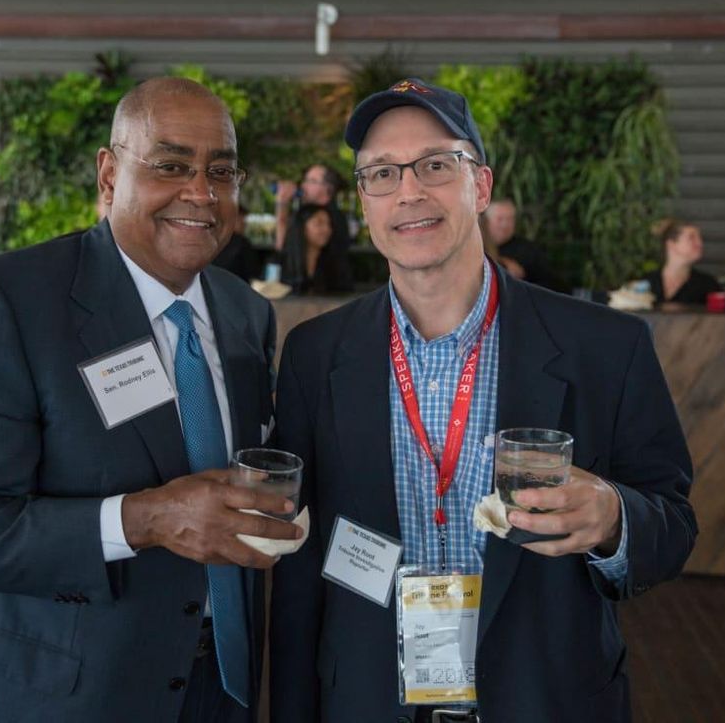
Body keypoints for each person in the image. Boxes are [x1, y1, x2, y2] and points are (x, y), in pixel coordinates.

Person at [270, 79, 696, 723]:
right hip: (366, 699)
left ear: (482, 185)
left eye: (436, 165)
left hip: (542, 697)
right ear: (363, 201)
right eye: (382, 173)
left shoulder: (605, 346)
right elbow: (301, 578)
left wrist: (612, 518)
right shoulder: (314, 354)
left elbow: (673, 524)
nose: (409, 191)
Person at [0, 77, 301, 723]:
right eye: (171, 165)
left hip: (219, 687)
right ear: (109, 173)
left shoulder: (245, 313)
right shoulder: (8, 301)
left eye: (221, 171)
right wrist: (146, 518)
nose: (201, 193)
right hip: (61, 696)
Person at [482, 198, 559, 290]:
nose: (505, 225)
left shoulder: (528, 250)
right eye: (500, 219)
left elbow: (551, 283)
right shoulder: (476, 246)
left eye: (510, 219)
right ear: (486, 221)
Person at [280, 203, 354, 294]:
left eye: (329, 224)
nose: (326, 229)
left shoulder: (336, 264)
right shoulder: (279, 263)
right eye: (319, 223)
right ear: (302, 227)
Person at [643, 219, 721, 305]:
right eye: (691, 238)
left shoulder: (708, 285)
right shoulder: (646, 282)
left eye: (700, 238)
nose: (700, 243)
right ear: (671, 244)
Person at [212, 203, 259, 282]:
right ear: (233, 219)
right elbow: (253, 272)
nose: (244, 224)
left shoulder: (212, 239)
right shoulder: (242, 243)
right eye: (242, 220)